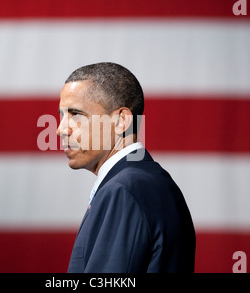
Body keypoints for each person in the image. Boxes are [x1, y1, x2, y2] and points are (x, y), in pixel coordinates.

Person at [56, 62, 195, 273]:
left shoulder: (124, 189)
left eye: (76, 114)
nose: (60, 129)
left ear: (121, 121)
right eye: (61, 115)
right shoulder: (147, 181)